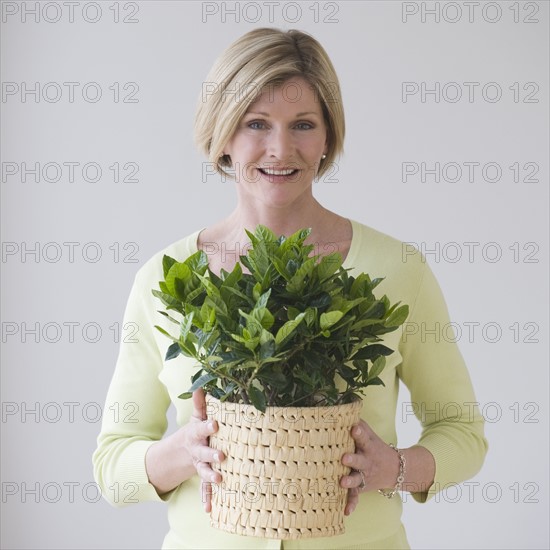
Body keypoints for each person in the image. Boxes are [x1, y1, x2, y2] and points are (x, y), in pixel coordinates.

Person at [93, 28, 488, 549]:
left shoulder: (398, 270)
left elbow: (463, 435)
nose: (281, 149)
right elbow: (111, 466)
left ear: (327, 137)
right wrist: (182, 453)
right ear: (222, 133)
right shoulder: (166, 279)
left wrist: (393, 469)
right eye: (257, 124)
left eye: (303, 124)